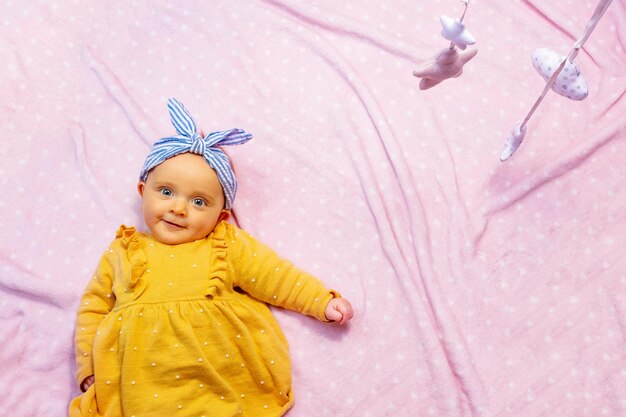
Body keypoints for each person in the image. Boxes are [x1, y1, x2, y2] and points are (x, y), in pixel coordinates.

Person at [69, 98, 354, 417]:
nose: (178, 208)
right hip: (140, 382)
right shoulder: (123, 250)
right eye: (166, 192)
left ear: (221, 216)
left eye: (199, 201)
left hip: (220, 372)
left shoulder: (225, 244)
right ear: (142, 190)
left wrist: (320, 301)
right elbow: (93, 307)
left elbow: (275, 275)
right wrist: (88, 364)